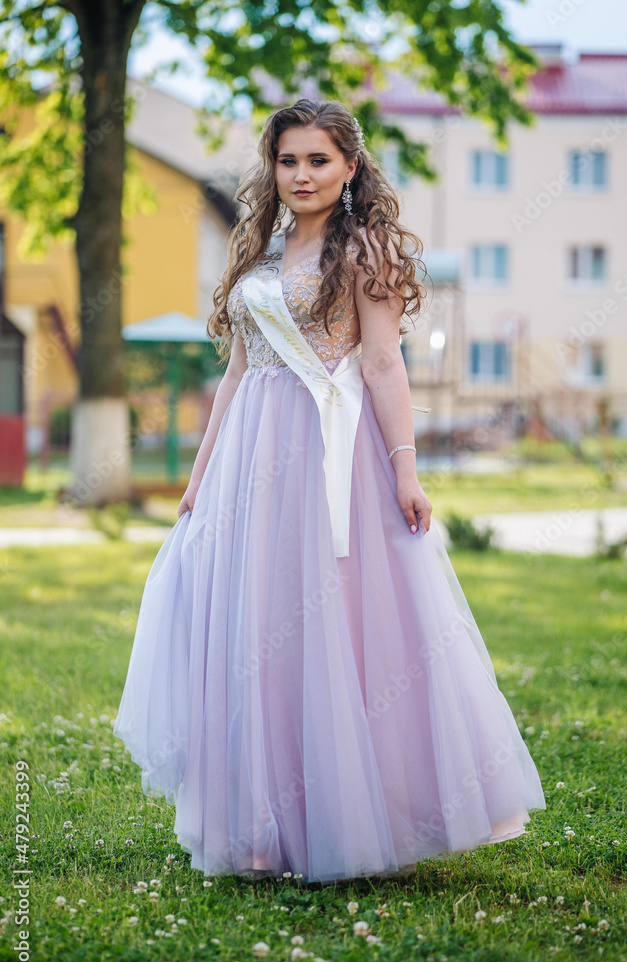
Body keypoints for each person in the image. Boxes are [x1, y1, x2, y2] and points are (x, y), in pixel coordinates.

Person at [112, 98, 546, 885]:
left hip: (327, 455)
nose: (301, 175)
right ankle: (257, 825)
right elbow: (238, 374)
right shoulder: (259, 256)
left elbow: (382, 363)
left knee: (332, 624)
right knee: (254, 626)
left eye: (317, 160)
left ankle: (347, 816)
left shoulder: (365, 251)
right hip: (250, 456)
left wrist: (405, 468)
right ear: (270, 171)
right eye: (287, 161)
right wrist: (199, 480)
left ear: (349, 167)